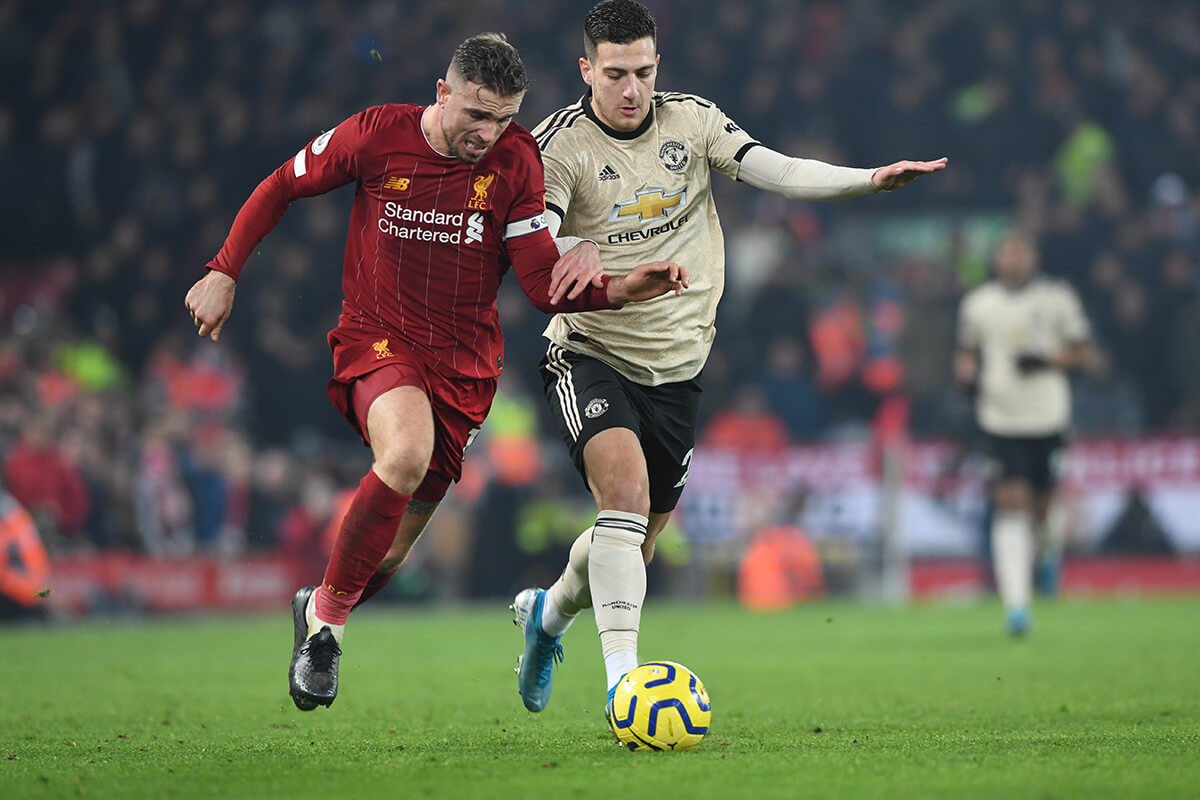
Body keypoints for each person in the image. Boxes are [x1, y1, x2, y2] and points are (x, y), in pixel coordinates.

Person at [185, 32, 690, 712]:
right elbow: (282, 184)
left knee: (388, 556)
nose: (488, 133)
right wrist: (224, 269)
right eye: (476, 114)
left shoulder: (516, 161)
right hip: (379, 340)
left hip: (463, 372)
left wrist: (620, 288)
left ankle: (320, 603)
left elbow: (539, 284)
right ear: (442, 92)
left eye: (503, 118)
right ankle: (327, 631)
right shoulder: (377, 134)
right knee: (405, 453)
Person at [508, 0, 947, 718]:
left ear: (658, 65)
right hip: (590, 351)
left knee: (632, 543)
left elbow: (781, 170)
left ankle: (547, 616)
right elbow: (533, 240)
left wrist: (867, 179)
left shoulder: (693, 122)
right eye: (615, 74)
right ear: (586, 69)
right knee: (623, 500)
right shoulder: (558, 145)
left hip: (679, 369)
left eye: (643, 72)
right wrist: (569, 246)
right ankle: (625, 689)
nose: (631, 89)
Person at [955, 231, 1093, 636]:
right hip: (1000, 418)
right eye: (1006, 253)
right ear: (997, 259)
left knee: (1042, 512)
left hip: (1048, 417)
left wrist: (1047, 359)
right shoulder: (979, 304)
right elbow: (967, 352)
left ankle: (1046, 556)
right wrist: (966, 375)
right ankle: (1017, 606)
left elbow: (1083, 352)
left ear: (1034, 258)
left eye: (1020, 252)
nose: (1012, 260)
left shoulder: (1057, 298)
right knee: (1010, 503)